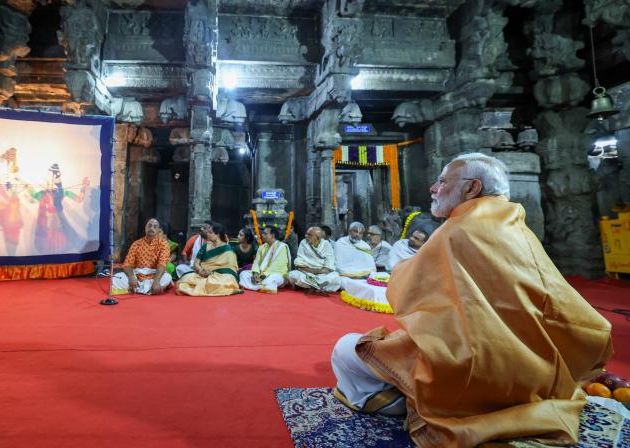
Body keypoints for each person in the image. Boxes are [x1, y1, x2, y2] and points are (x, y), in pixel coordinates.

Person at [330, 152, 613, 447]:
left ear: (472, 187)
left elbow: (405, 289)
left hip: (472, 371)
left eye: (442, 181)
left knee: (347, 348)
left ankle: (408, 402)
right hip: (537, 377)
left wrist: (402, 271)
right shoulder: (517, 227)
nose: (433, 188)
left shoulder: (457, 229)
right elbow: (568, 309)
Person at [29, 163, 89, 254]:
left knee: (58, 246)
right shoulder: (43, 193)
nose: (50, 181)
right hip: (46, 226)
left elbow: (79, 199)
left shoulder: (61, 191)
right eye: (48, 178)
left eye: (53, 177)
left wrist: (83, 187)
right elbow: (33, 196)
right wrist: (26, 186)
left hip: (58, 224)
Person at [176, 222, 242, 296]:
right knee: (186, 279)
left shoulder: (227, 248)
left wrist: (213, 272)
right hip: (204, 273)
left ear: (218, 235)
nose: (207, 234)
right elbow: (196, 263)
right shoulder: (205, 246)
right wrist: (201, 271)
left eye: (210, 233)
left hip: (222, 275)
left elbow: (231, 268)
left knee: (226, 280)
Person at [111, 218, 172, 295]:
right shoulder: (136, 244)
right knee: (116, 278)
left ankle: (136, 289)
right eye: (149, 226)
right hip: (137, 274)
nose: (151, 228)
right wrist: (131, 278)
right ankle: (147, 290)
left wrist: (156, 281)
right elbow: (127, 264)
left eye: (155, 226)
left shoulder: (164, 244)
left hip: (154, 275)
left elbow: (162, 264)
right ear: (145, 228)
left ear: (158, 230)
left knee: (167, 277)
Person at [288, 226, 340, 292]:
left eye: (309, 235)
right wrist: (316, 271)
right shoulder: (303, 242)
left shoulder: (326, 244)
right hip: (307, 272)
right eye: (306, 234)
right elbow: (299, 262)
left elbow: (329, 263)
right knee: (293, 274)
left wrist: (321, 272)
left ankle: (311, 285)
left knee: (335, 277)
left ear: (317, 237)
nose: (306, 236)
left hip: (323, 274)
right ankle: (318, 286)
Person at [239, 227, 290, 293]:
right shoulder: (262, 247)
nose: (262, 235)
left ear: (273, 235)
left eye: (265, 234)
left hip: (276, 274)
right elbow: (256, 262)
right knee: (243, 274)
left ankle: (255, 286)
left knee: (271, 279)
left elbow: (276, 267)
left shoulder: (281, 247)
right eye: (262, 233)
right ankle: (263, 286)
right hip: (260, 274)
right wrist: (255, 274)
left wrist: (262, 277)